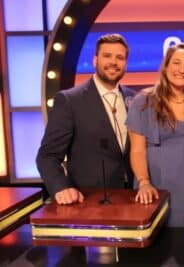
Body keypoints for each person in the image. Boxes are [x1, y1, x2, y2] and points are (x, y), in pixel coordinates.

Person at [37, 33, 135, 204]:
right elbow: (47, 156)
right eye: (107, 56)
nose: (113, 62)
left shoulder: (134, 99)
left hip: (132, 199)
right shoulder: (69, 100)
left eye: (120, 57)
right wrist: (60, 187)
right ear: (95, 60)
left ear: (125, 64)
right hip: (89, 201)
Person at [126, 43, 184, 227]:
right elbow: (137, 150)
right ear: (166, 66)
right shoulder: (143, 101)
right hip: (156, 184)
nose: (182, 70)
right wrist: (144, 182)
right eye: (176, 63)